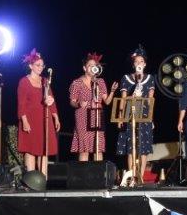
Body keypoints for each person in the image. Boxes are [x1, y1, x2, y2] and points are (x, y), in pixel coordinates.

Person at [17, 48, 60, 176]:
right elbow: (21, 104)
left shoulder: (45, 81)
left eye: (42, 65)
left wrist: (55, 117)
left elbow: (51, 100)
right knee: (30, 150)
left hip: (44, 120)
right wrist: (24, 121)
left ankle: (43, 179)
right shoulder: (24, 81)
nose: (41, 67)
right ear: (30, 66)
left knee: (44, 150)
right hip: (30, 120)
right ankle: (31, 180)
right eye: (38, 65)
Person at [116, 46, 157, 183]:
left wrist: (151, 117)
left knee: (143, 147)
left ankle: (141, 177)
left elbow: (151, 99)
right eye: (136, 61)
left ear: (144, 64)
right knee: (131, 146)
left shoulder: (150, 78)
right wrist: (121, 116)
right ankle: (132, 175)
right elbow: (123, 98)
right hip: (130, 111)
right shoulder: (126, 78)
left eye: (141, 61)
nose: (139, 63)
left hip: (144, 113)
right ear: (133, 64)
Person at [69, 52, 118, 162]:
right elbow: (72, 102)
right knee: (84, 148)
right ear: (84, 68)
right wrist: (79, 104)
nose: (92, 67)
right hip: (83, 116)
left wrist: (112, 91)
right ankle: (83, 172)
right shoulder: (77, 82)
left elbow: (107, 101)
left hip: (97, 115)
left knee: (98, 147)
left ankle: (98, 172)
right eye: (90, 65)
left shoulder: (100, 81)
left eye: (94, 65)